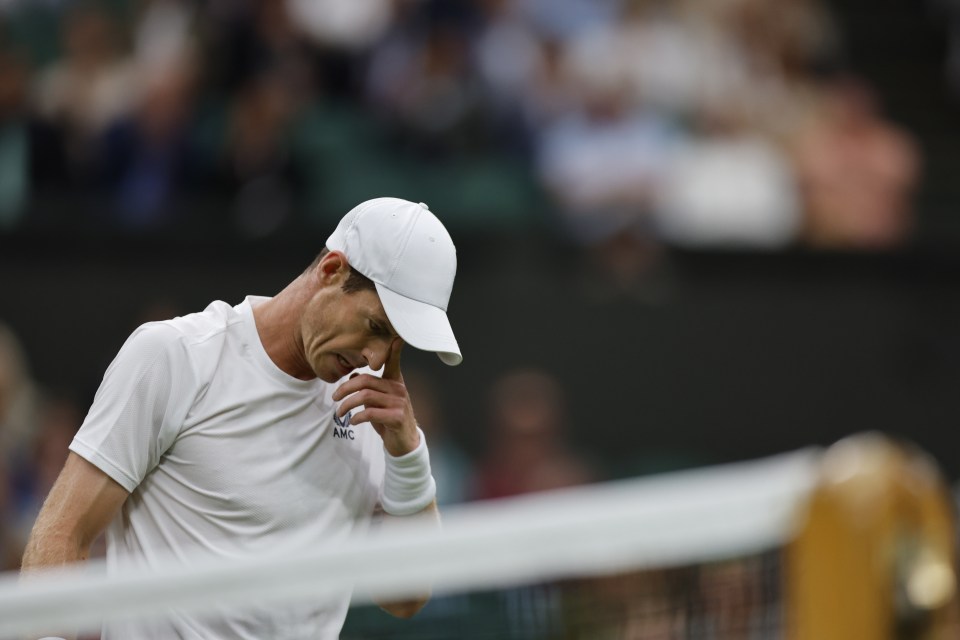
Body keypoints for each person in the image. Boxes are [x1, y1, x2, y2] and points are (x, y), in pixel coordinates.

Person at [21, 197, 462, 639]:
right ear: (332, 271)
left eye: (396, 343)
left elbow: (404, 597)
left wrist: (408, 454)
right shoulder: (177, 357)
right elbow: (63, 535)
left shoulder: (371, 411)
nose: (376, 356)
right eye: (376, 327)